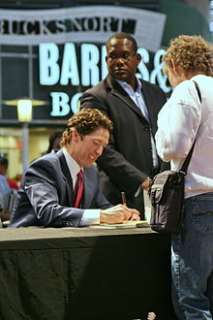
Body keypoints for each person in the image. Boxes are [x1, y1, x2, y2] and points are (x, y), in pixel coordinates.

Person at [155, 35, 213, 320]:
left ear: (174, 64)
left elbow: (172, 147)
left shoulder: (187, 90)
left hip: (197, 201)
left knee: (191, 299)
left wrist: (160, 127)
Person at [80, 32, 167, 217]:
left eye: (125, 56)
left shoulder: (156, 93)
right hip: (119, 195)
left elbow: (166, 137)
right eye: (113, 56)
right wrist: (141, 180)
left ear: (138, 59)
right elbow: (102, 149)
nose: (119, 61)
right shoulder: (95, 97)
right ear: (106, 59)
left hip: (159, 191)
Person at [10, 108, 140, 228]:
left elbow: (103, 206)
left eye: (103, 146)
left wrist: (123, 214)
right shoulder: (44, 167)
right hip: (27, 246)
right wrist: (103, 216)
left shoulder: (91, 171)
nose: (100, 152)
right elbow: (48, 212)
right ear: (75, 136)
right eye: (96, 143)